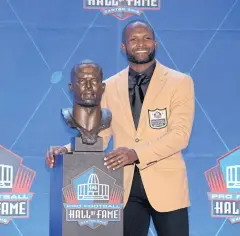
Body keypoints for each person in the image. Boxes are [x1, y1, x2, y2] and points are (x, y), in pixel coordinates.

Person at [46, 20, 195, 236]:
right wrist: (66, 150)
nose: (141, 44)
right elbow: (101, 134)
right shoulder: (110, 85)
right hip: (124, 188)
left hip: (168, 187)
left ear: (155, 43)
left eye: (146, 38)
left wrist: (135, 154)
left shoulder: (180, 82)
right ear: (123, 47)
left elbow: (180, 135)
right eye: (133, 39)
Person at [61, 61, 112, 145]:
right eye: (81, 81)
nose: (88, 86)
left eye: (94, 81)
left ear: (103, 87)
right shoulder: (67, 115)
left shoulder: (107, 117)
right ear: (71, 87)